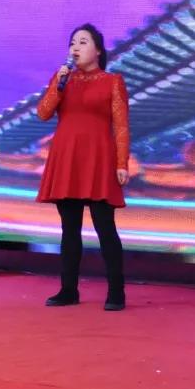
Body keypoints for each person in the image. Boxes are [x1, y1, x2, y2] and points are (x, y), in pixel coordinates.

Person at [36, 23, 130, 310]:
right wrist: (58, 83)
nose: (75, 47)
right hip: (67, 158)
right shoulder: (62, 78)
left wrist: (121, 163)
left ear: (98, 50)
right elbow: (43, 113)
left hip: (99, 159)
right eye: (72, 43)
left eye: (83, 42)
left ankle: (116, 292)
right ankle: (68, 290)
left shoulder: (112, 81)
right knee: (69, 229)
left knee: (105, 227)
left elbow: (121, 126)